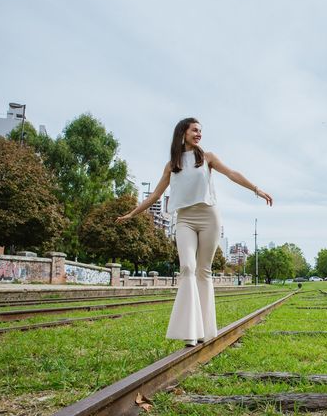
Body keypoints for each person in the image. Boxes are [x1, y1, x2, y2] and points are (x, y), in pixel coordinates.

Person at [117, 117, 272, 346]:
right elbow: (155, 196)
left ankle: (206, 331)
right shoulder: (172, 164)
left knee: (203, 271)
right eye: (194, 130)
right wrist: (133, 213)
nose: (198, 134)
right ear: (183, 132)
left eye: (200, 131)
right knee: (187, 268)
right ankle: (190, 330)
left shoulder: (207, 158)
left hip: (209, 217)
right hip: (185, 219)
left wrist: (257, 189)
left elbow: (231, 173)